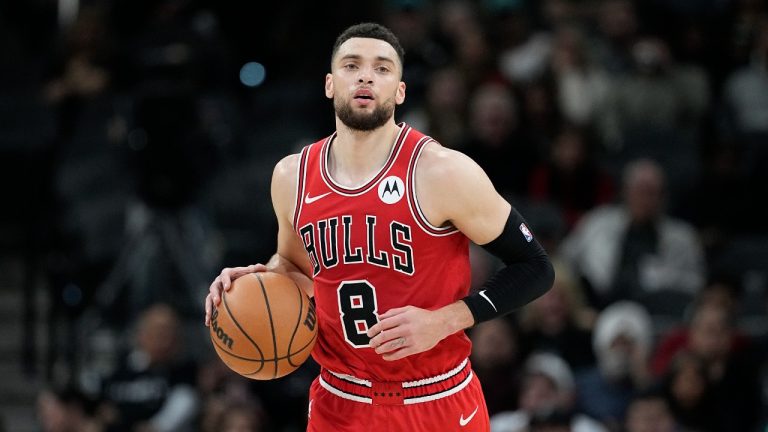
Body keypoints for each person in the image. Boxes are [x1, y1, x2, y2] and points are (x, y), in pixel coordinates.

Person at [204, 22, 554, 431]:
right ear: (330, 85)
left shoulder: (443, 172)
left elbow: (535, 267)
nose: (366, 75)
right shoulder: (291, 177)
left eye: (382, 68)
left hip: (437, 396)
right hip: (341, 400)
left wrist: (445, 320)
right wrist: (253, 282)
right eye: (352, 65)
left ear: (400, 91)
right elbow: (296, 269)